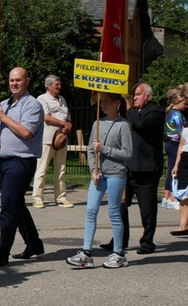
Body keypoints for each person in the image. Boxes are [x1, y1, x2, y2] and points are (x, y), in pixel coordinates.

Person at [66, 92, 132, 268]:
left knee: (114, 212)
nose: (102, 105)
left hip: (116, 173)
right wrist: (92, 170)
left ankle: (119, 253)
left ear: (117, 103)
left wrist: (105, 149)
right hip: (99, 174)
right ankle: (86, 253)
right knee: (91, 210)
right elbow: (90, 150)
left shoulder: (123, 125)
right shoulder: (97, 123)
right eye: (101, 102)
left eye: (107, 102)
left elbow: (127, 153)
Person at [0, 67, 45, 267]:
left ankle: (1, 252)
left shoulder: (33, 105)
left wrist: (3, 118)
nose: (14, 83)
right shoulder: (3, 105)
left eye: (18, 80)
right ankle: (34, 244)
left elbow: (27, 132)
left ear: (27, 81)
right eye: (11, 80)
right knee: (17, 205)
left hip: (21, 162)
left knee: (9, 208)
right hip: (2, 162)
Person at [101, 83, 164, 255]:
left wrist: (128, 108)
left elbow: (142, 125)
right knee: (120, 206)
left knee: (147, 209)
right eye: (133, 95)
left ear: (148, 96)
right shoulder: (130, 114)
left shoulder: (156, 112)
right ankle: (120, 239)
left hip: (146, 169)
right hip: (127, 168)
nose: (134, 97)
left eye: (138, 94)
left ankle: (147, 242)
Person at [32, 74, 74, 208]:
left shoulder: (62, 99)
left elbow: (67, 116)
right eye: (57, 85)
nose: (59, 87)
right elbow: (46, 117)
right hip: (47, 138)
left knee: (61, 169)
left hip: (61, 138)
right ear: (49, 86)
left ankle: (61, 197)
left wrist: (68, 125)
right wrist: (63, 123)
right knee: (42, 168)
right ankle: (37, 197)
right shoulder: (42, 99)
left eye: (59, 84)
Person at [163, 87, 186, 210]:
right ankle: (172, 197)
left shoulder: (170, 113)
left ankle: (166, 197)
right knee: (174, 170)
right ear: (178, 102)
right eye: (184, 103)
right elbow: (181, 132)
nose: (186, 106)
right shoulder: (177, 115)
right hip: (175, 144)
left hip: (169, 143)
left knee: (171, 169)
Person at [169, 118, 188, 236]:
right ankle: (182, 225)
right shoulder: (185, 123)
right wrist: (176, 165)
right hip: (184, 160)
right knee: (183, 194)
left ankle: (184, 225)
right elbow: (181, 145)